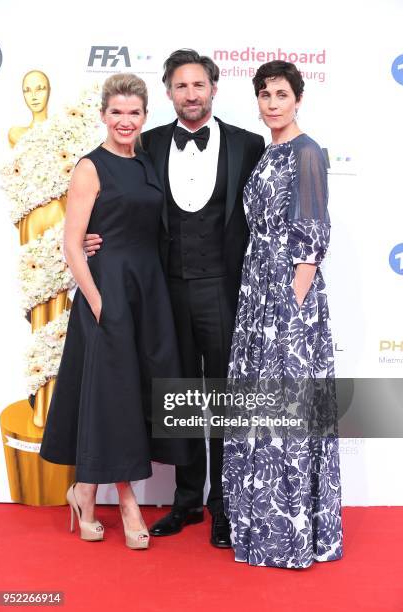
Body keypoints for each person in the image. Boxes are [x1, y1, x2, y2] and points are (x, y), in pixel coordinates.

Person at [84, 49, 265, 548]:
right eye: (181, 86)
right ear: (168, 92)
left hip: (226, 291)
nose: (191, 94)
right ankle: (186, 501)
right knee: (180, 399)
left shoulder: (249, 145)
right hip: (166, 292)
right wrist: (89, 238)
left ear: (213, 88)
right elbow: (119, 196)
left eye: (199, 85)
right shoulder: (148, 142)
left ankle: (224, 506)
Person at [40, 73, 191, 549]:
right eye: (117, 112)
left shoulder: (147, 163)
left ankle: (84, 492)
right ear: (103, 115)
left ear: (145, 116)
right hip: (107, 293)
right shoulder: (90, 166)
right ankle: (125, 502)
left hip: (148, 291)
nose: (125, 121)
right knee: (115, 397)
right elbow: (72, 242)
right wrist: (99, 300)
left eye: (134, 113)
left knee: (138, 393)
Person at [222, 60, 343, 568]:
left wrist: (289, 315)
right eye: (265, 95)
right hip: (257, 293)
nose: (272, 103)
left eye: (281, 94)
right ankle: (255, 529)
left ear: (298, 99)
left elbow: (312, 241)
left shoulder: (307, 152)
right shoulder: (269, 150)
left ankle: (290, 538)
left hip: (288, 302)